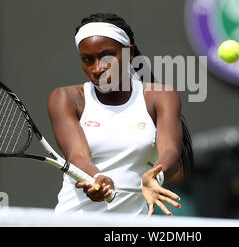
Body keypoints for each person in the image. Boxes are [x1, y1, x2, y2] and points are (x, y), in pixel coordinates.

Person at [48, 12, 193, 216]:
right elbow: (77, 155)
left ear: (128, 53)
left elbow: (170, 150)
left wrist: (154, 176)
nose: (97, 68)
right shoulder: (66, 98)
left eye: (106, 57)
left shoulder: (160, 96)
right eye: (88, 59)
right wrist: (96, 178)